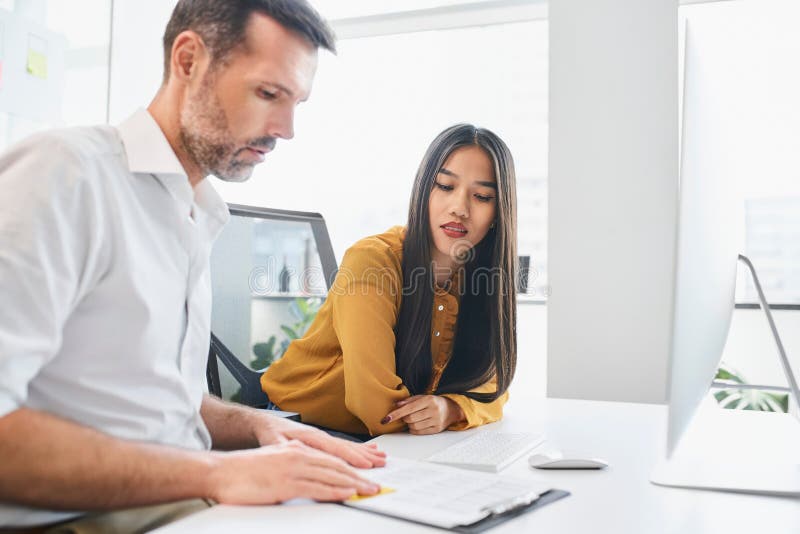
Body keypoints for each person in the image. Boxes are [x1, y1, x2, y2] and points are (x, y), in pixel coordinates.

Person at [0, 1, 386, 531]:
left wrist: (257, 428)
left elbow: (153, 405)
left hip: (182, 504)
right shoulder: (67, 176)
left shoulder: (195, 210)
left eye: (296, 102)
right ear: (188, 61)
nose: (286, 128)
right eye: (268, 94)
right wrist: (214, 474)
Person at [261, 124, 518, 438]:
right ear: (424, 189)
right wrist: (447, 413)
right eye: (445, 186)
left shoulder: (479, 279)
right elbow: (376, 408)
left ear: (498, 213)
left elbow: (493, 389)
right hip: (304, 425)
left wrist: (451, 409)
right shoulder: (372, 262)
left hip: (388, 438)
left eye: (481, 196)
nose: (459, 208)